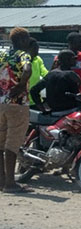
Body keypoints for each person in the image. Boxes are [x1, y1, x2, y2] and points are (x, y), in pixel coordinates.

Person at [0, 27, 33, 193]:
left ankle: (1, 180)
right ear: (22, 40)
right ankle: (10, 183)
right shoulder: (23, 54)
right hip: (17, 104)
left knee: (0, 143)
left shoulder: (2, 54)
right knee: (12, 144)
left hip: (1, 102)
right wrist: (20, 86)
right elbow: (27, 69)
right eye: (27, 38)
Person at [53, 32, 81, 97]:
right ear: (70, 43)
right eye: (79, 42)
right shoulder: (60, 58)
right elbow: (53, 76)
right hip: (65, 97)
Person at [26, 40, 49, 107]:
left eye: (38, 48)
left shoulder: (38, 59)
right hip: (23, 101)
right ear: (27, 49)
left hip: (35, 101)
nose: (37, 51)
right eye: (35, 48)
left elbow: (45, 74)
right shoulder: (20, 61)